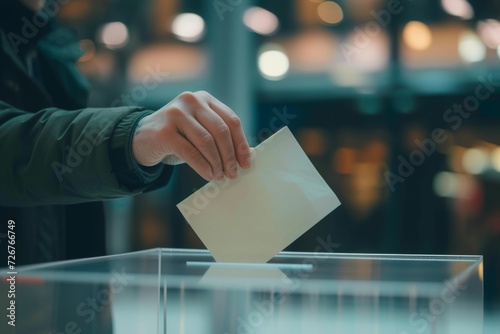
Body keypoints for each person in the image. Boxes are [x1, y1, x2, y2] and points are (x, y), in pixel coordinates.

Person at [0, 0, 252, 266]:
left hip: (58, 296)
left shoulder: (50, 51)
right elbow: (13, 146)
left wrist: (96, 302)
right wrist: (132, 134)